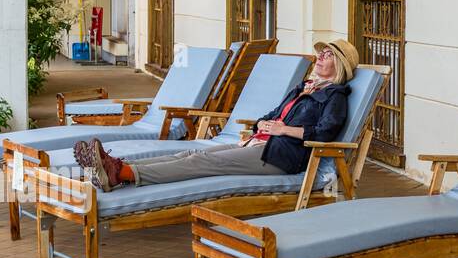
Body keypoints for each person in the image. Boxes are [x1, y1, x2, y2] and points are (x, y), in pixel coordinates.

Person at [75, 39, 358, 192]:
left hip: (281, 157)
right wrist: (262, 125)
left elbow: (324, 134)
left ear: (340, 64)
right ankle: (112, 165)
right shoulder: (303, 87)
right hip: (259, 143)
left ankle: (121, 174)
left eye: (328, 55)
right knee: (187, 154)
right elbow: (269, 115)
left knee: (202, 160)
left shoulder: (336, 96)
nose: (320, 56)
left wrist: (282, 130)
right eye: (321, 53)